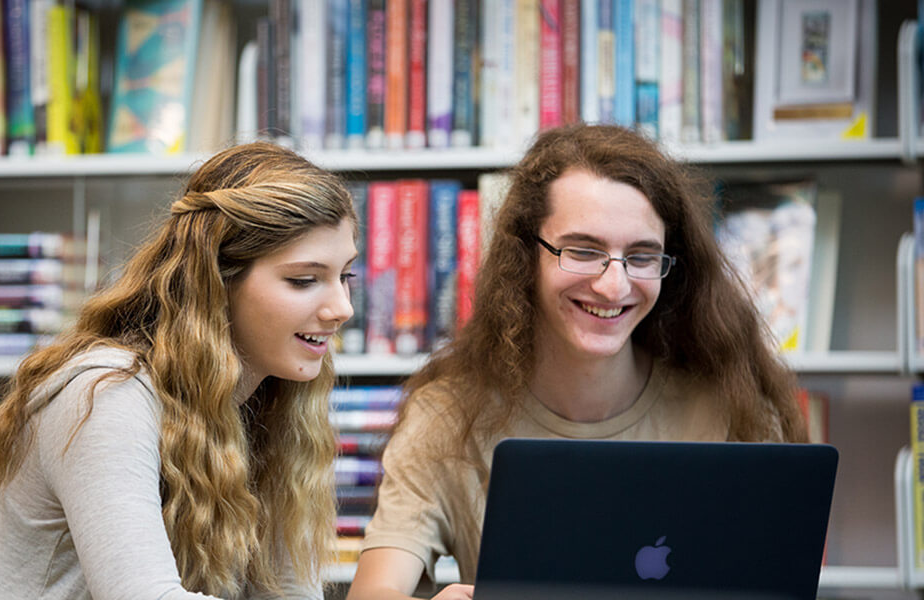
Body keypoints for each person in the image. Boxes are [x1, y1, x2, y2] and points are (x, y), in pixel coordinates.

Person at [346, 124, 807, 600]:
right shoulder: (446, 416)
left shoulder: (729, 407)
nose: (614, 286)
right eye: (583, 251)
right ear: (527, 256)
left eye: (641, 256)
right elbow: (374, 590)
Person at [0, 142, 358, 599]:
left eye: (346, 276)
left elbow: (288, 593)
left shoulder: (270, 399)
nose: (342, 308)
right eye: (304, 280)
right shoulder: (105, 395)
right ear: (217, 279)